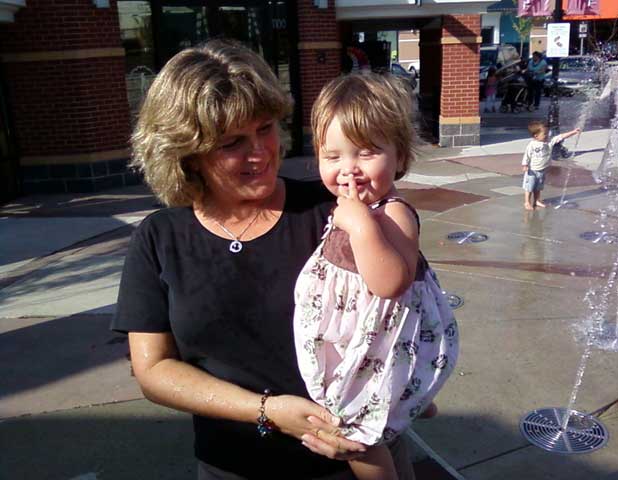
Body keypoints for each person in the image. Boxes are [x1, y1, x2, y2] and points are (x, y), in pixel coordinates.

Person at [111, 39, 411, 480]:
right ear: (187, 154)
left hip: (352, 462)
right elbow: (153, 368)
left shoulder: (335, 213)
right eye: (233, 142)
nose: (261, 152)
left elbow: (405, 303)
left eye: (265, 128)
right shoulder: (160, 238)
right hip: (232, 466)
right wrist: (265, 411)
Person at [293, 73, 459, 480]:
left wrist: (362, 226)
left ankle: (405, 407)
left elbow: (390, 283)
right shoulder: (348, 207)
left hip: (380, 339)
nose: (349, 169)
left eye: (366, 153)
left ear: (399, 157)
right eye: (334, 157)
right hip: (356, 335)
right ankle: (413, 397)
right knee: (374, 396)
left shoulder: (393, 212)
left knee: (356, 437)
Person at [522, 120, 581, 210]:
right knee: (529, 187)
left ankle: (537, 200)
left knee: (538, 187)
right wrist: (525, 164)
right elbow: (527, 155)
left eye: (547, 133)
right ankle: (527, 202)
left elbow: (561, 137)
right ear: (536, 136)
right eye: (545, 134)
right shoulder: (532, 145)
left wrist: (573, 132)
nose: (547, 135)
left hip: (542, 170)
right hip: (532, 171)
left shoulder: (550, 142)